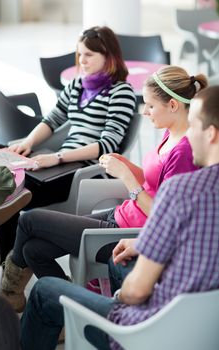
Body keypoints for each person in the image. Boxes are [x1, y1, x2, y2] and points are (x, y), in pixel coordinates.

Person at [19, 85, 219, 350]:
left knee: (44, 290)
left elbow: (136, 292)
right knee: (51, 250)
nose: (188, 135)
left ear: (212, 134)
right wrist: (144, 244)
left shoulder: (183, 191)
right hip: (204, 333)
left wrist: (118, 296)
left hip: (152, 330)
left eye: (193, 125)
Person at [0, 25, 136, 264]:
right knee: (6, 182)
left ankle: (9, 266)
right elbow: (52, 119)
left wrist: (58, 157)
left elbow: (108, 144)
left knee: (10, 192)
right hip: (61, 162)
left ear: (109, 56)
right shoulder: (77, 85)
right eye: (79, 54)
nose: (82, 60)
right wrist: (27, 143)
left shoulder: (120, 92)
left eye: (89, 55)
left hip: (86, 169)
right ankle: (9, 260)